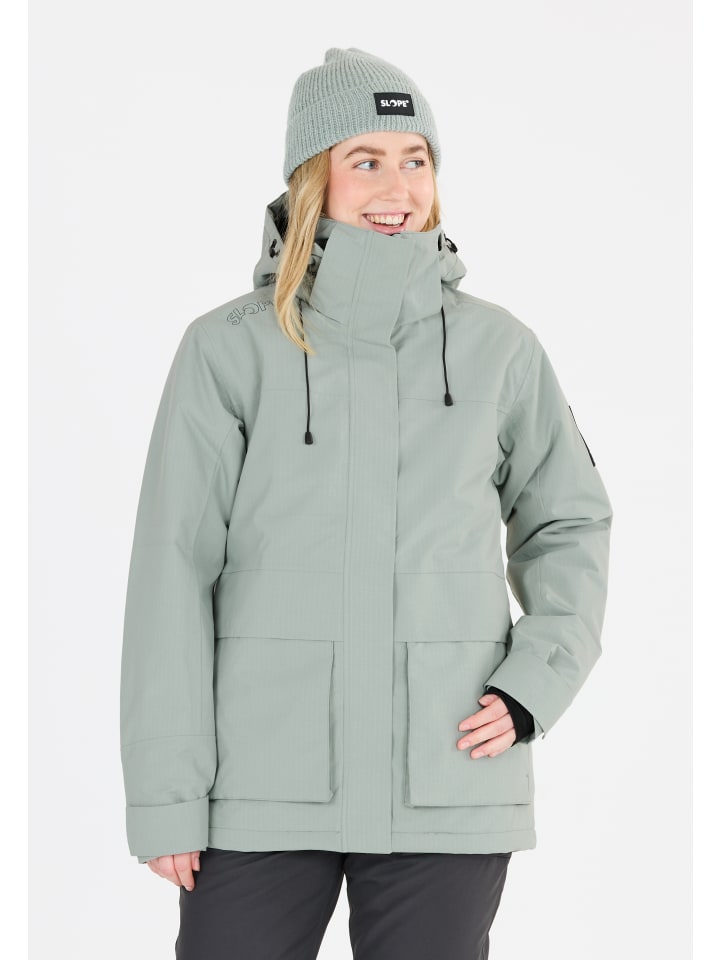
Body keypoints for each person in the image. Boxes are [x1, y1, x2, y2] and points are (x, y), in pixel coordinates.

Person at [120, 47, 613, 960]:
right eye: (367, 159)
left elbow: (569, 522)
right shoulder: (228, 350)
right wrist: (167, 794)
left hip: (448, 777)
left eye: (415, 159)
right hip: (259, 786)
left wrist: (534, 684)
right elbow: (171, 572)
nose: (398, 187)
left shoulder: (501, 349)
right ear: (314, 178)